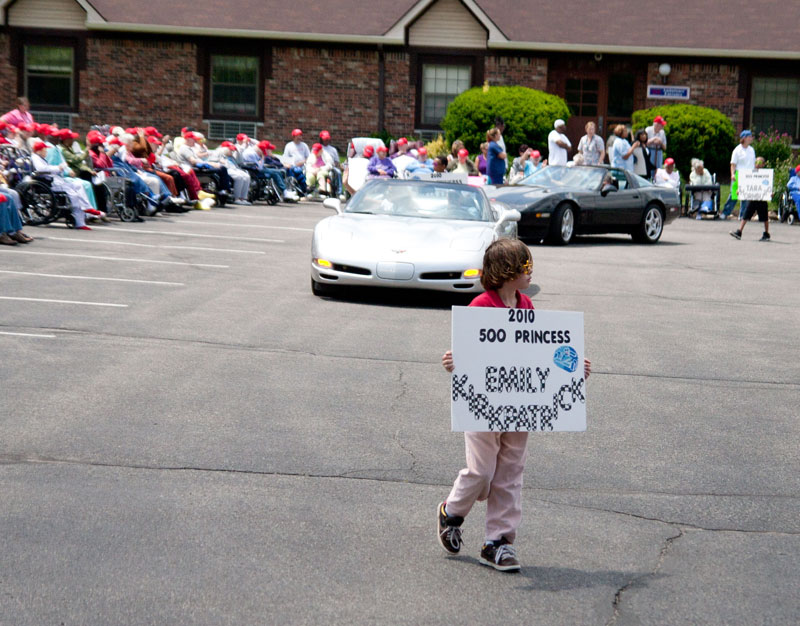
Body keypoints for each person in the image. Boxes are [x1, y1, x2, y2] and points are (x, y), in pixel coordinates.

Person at [438, 238, 591, 571]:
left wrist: (572, 371)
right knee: (482, 471)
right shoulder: (480, 305)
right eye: (524, 265)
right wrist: (455, 362)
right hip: (483, 406)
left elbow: (535, 356)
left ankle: (499, 541)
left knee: (509, 472)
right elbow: (469, 353)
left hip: (521, 407)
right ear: (507, 271)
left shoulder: (526, 307)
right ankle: (452, 512)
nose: (530, 270)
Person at [730, 157, 770, 241]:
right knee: (746, 215)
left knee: (764, 217)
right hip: (752, 198)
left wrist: (770, 192)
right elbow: (746, 183)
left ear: (763, 164)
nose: (757, 164)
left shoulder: (766, 174)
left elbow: (768, 185)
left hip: (761, 199)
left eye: (760, 163)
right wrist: (740, 190)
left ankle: (766, 233)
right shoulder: (750, 173)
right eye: (756, 162)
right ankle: (739, 232)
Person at [720, 130, 756, 220]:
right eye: (749, 136)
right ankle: (725, 212)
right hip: (739, 174)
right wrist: (732, 174)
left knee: (746, 196)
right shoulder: (737, 150)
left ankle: (743, 215)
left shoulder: (751, 150)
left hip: (749, 175)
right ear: (744, 138)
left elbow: (753, 163)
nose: (751, 138)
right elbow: (733, 164)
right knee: (734, 195)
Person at [281, 128, 309, 194]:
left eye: (300, 135)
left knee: (299, 171)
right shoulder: (289, 146)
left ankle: (302, 188)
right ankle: (293, 188)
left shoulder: (304, 146)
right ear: (293, 136)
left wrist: (302, 162)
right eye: (298, 136)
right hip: (291, 165)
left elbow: (308, 157)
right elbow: (285, 158)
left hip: (303, 165)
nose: (300, 137)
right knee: (292, 170)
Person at [319, 130, 343, 198]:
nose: (326, 140)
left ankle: (339, 192)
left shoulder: (333, 149)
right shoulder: (318, 147)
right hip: (321, 167)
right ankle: (322, 191)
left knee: (338, 172)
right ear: (321, 139)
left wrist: (339, 166)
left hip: (331, 167)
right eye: (325, 139)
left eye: (327, 139)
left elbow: (337, 161)